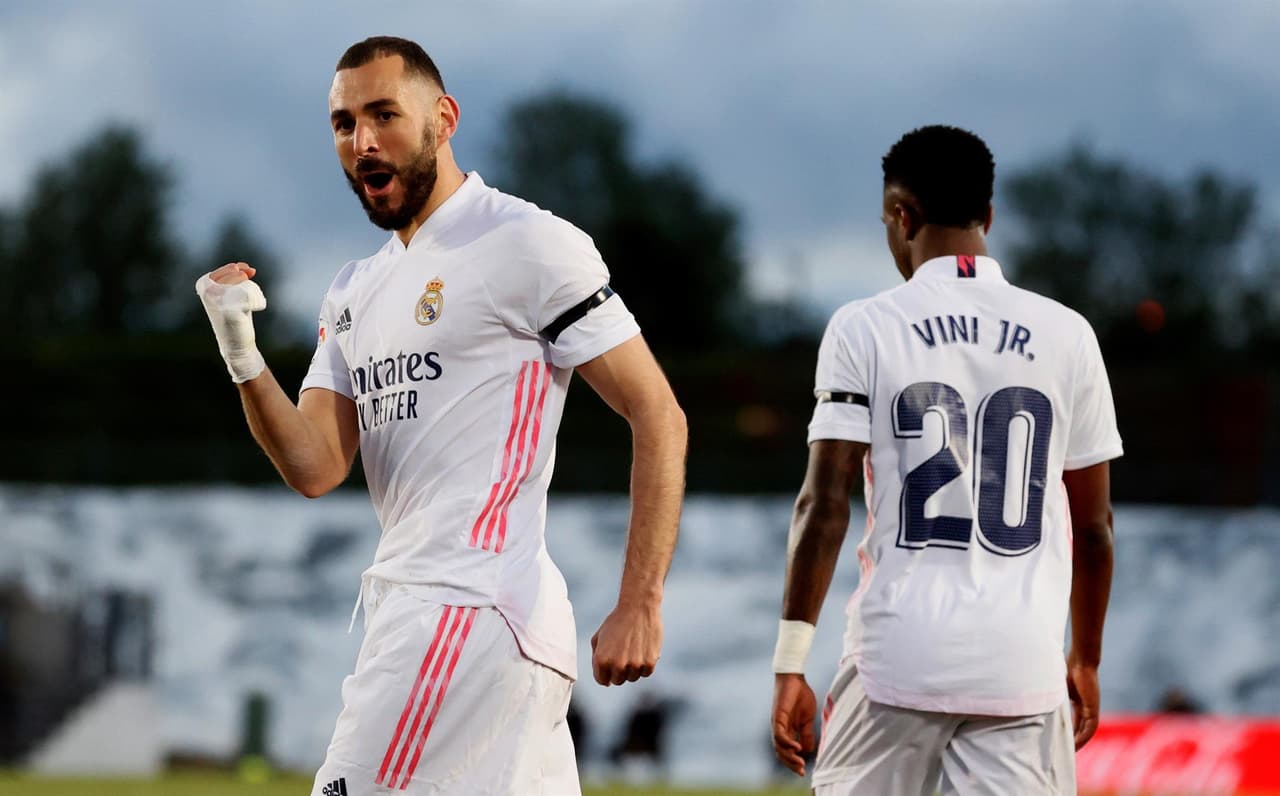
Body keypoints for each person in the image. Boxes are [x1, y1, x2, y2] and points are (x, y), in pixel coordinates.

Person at [195, 36, 686, 796]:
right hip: (441, 615)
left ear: (444, 118)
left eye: (384, 114)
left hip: (468, 608)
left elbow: (658, 411)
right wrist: (240, 348)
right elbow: (315, 465)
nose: (362, 142)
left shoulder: (523, 240)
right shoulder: (354, 290)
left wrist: (641, 603)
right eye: (343, 123)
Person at [769, 125, 1122, 795]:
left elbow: (823, 504)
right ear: (988, 216)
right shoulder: (1068, 333)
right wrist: (1087, 658)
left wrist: (791, 661)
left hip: (899, 655)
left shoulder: (864, 325)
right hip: (1022, 662)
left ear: (903, 216)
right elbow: (1095, 526)